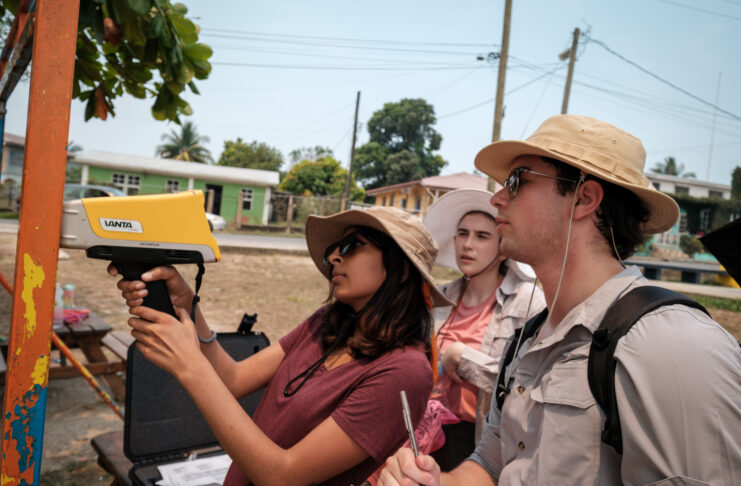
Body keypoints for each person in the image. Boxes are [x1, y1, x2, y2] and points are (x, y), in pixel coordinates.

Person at [379, 114, 741, 486]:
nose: (497, 198)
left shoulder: (672, 344)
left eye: (518, 180)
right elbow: (491, 463)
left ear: (584, 198)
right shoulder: (528, 337)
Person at [109, 206, 454, 486]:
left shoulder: (403, 371)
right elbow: (233, 379)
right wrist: (186, 306)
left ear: (402, 270)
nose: (334, 256)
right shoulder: (326, 323)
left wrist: (190, 367)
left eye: (351, 246)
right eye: (333, 249)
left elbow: (282, 475)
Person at [422, 188, 544, 470]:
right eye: (462, 234)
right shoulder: (437, 299)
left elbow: (527, 381)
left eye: (482, 236)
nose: (468, 244)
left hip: (480, 441)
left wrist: (462, 357)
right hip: (427, 431)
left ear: (503, 248)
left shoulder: (528, 303)